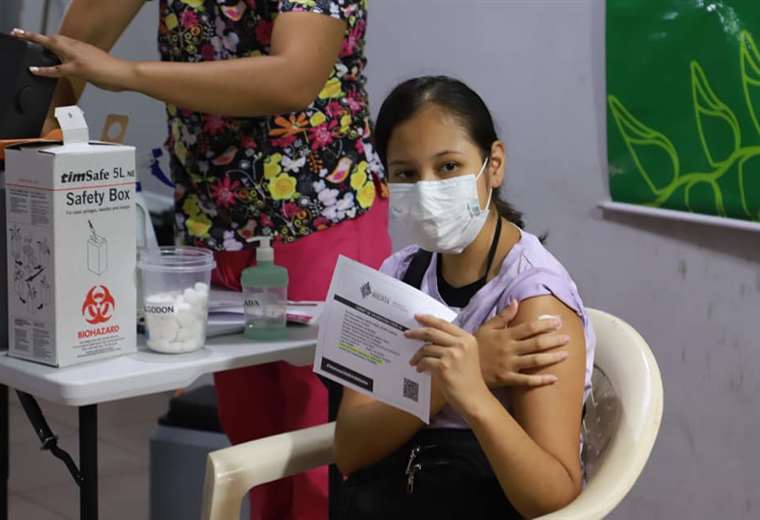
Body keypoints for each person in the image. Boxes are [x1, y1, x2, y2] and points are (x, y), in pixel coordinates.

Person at [12, 2, 390, 518]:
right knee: (256, 457)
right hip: (214, 222)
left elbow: (292, 78)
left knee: (326, 459)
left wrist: (126, 75)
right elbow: (66, 55)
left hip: (319, 211)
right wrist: (29, 134)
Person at [334, 76, 596, 519]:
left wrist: (473, 391)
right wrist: (440, 386)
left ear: (493, 164)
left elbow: (554, 497)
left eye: (448, 167)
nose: (427, 188)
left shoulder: (533, 302)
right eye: (406, 173)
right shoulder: (396, 277)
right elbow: (350, 449)